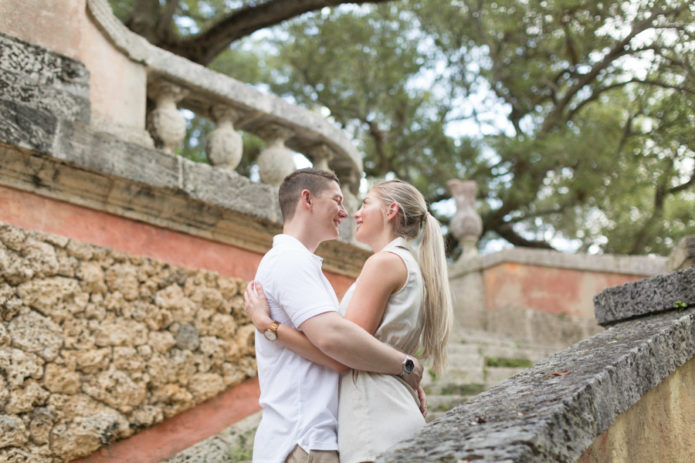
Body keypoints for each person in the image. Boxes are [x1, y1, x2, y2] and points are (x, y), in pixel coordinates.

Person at [246, 173, 453, 463]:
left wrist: (270, 327)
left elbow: (344, 347)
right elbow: (339, 347)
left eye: (363, 203)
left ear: (391, 211)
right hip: (308, 434)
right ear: (307, 199)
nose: (348, 212)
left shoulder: (382, 262)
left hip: (365, 414)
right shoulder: (290, 260)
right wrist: (405, 366)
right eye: (338, 201)